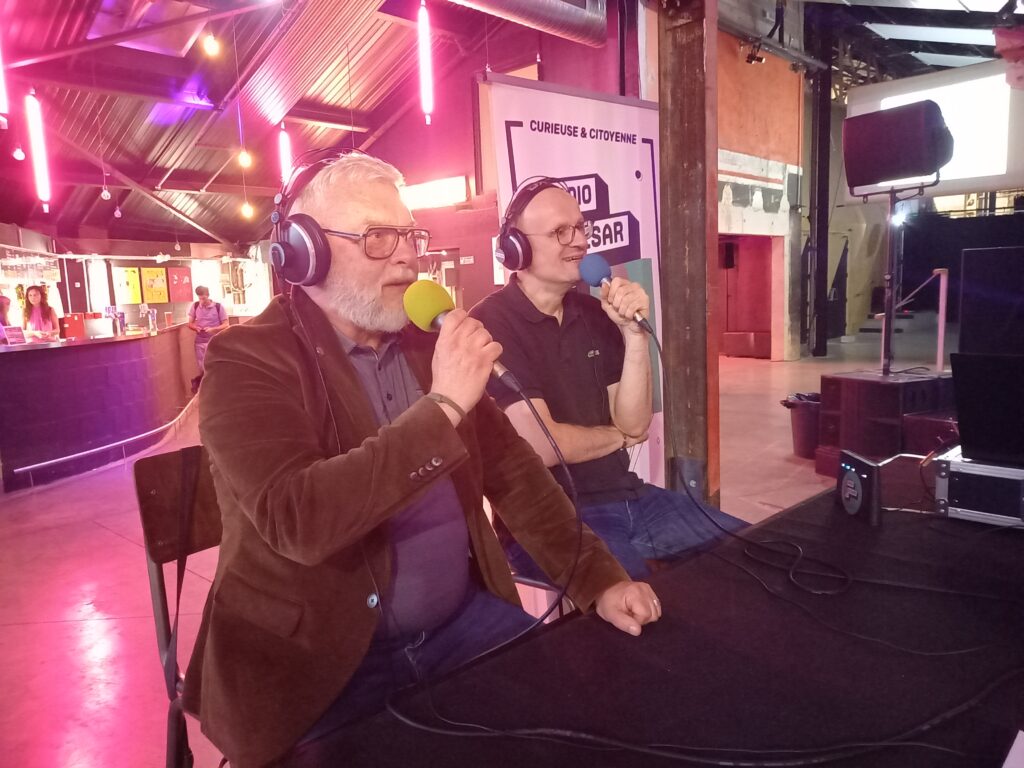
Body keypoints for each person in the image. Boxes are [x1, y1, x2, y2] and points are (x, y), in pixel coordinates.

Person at [183, 152, 661, 768]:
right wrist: (444, 407)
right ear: (305, 254)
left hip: (457, 626)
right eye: (378, 237)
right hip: (315, 665)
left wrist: (600, 579)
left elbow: (517, 478)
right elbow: (296, 518)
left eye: (410, 235)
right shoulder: (245, 359)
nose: (408, 257)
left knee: (588, 732)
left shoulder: (424, 342)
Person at [470, 179, 747, 582]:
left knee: (755, 548)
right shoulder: (490, 321)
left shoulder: (595, 312)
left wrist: (634, 336)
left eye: (581, 227)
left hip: (632, 496)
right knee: (639, 603)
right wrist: (618, 437)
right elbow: (543, 445)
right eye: (560, 232)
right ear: (516, 248)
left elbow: (635, 422)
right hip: (550, 518)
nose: (580, 241)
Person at [187, 285, 228, 393]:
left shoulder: (218, 307)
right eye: (200, 298)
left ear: (208, 295)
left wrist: (213, 329)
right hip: (200, 342)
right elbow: (190, 323)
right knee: (202, 367)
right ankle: (206, 390)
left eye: (204, 298)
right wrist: (195, 328)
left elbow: (226, 324)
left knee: (215, 366)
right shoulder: (195, 306)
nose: (202, 301)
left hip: (215, 341)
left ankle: (217, 389)